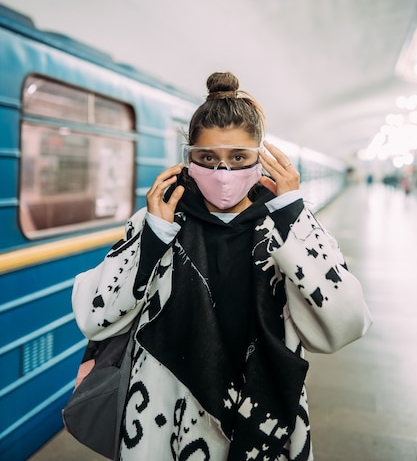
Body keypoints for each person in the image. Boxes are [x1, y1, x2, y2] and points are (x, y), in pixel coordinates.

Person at [72, 71, 372, 461]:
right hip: (164, 418)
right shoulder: (161, 220)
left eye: (239, 158)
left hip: (261, 417)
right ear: (189, 158)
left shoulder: (287, 226)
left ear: (261, 159)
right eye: (208, 158)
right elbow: (94, 314)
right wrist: (152, 237)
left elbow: (346, 323)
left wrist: (294, 216)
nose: (223, 172)